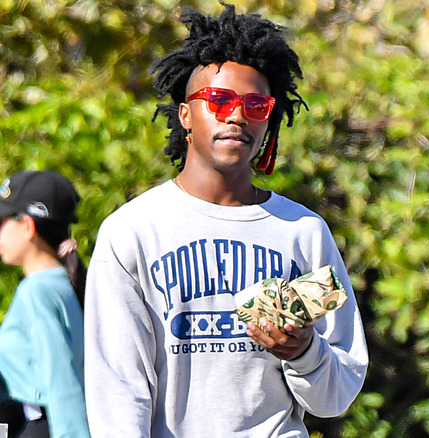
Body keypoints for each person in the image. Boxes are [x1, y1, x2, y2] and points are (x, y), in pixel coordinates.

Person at [83, 4, 368, 437]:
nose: (237, 115)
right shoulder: (132, 232)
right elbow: (118, 391)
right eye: (218, 100)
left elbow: (335, 398)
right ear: (185, 115)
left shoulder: (303, 232)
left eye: (256, 104)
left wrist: (305, 350)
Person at [0, 170, 89, 437]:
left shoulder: (37, 291)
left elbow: (60, 377)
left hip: (41, 426)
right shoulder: (63, 283)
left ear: (27, 226)